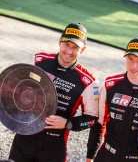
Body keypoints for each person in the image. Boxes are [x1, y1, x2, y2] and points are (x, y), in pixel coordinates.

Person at [8, 23, 99, 162]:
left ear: (83, 49)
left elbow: (92, 119)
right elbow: (22, 88)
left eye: (75, 47)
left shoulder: (88, 82)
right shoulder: (40, 61)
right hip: (24, 139)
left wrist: (68, 123)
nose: (69, 51)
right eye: (67, 44)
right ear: (59, 41)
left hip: (54, 147)